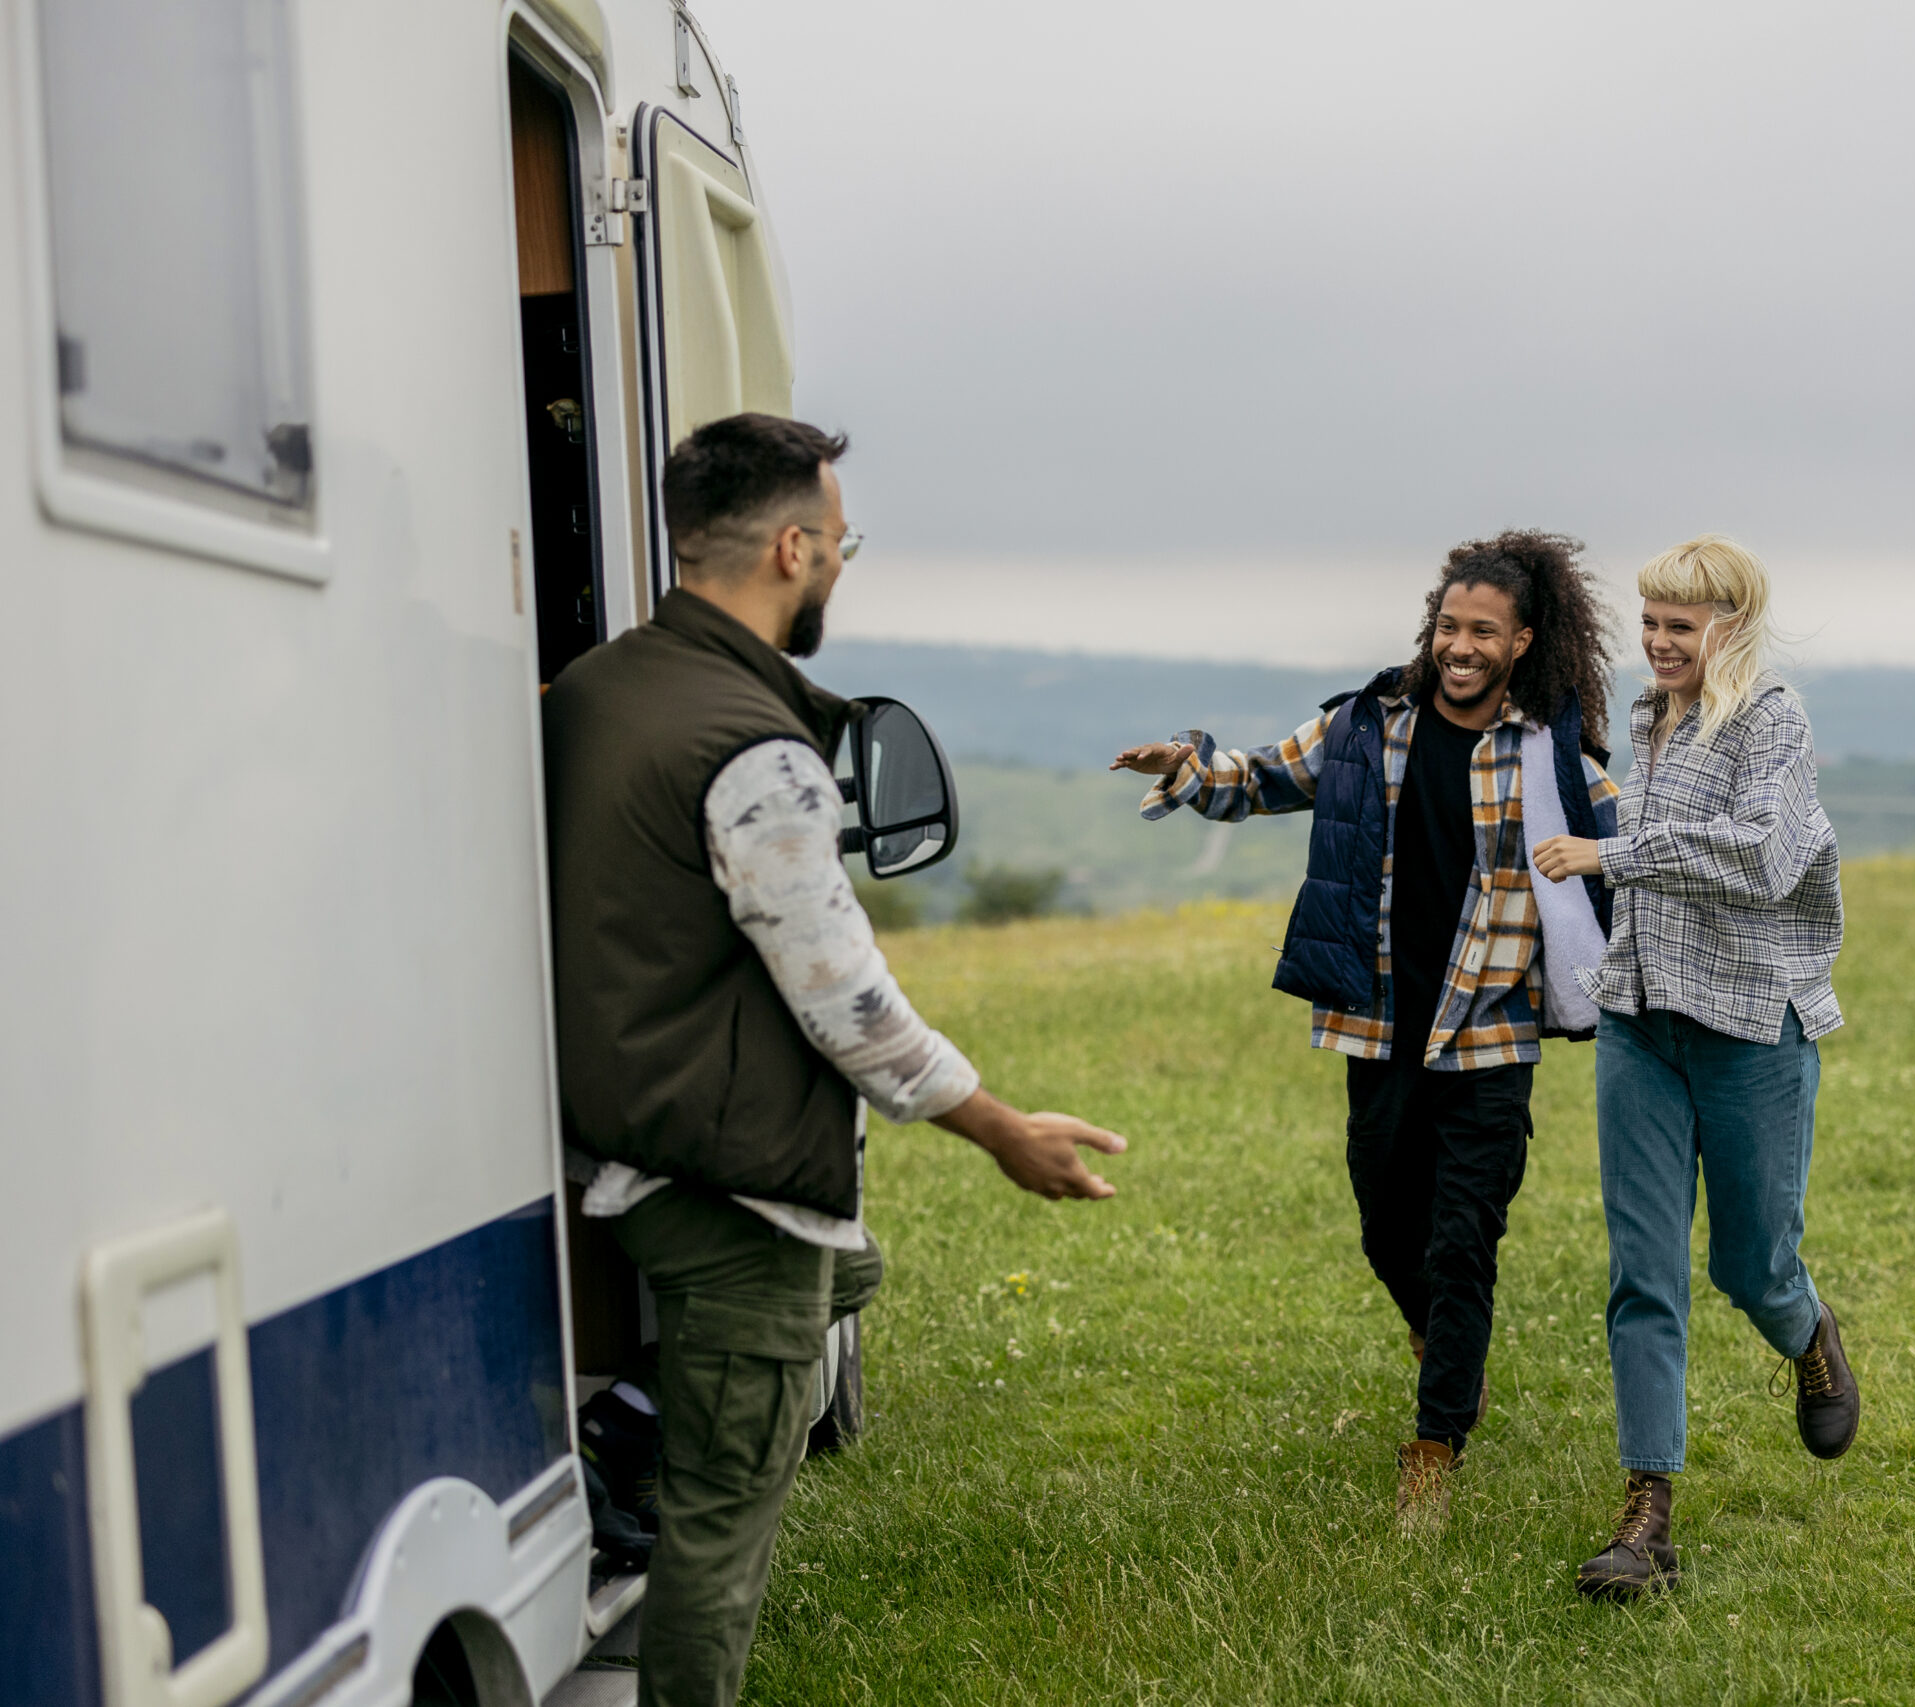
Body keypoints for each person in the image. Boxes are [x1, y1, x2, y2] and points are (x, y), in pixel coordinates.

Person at [543, 412, 1128, 1706]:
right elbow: (849, 1005)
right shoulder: (755, 751)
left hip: (631, 1145)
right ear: (794, 545)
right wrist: (1004, 1127)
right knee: (718, 1533)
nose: (841, 566)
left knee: (848, 1264)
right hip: (729, 1190)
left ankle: (639, 1417)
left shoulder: (591, 691)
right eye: (842, 542)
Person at [1111, 531, 1619, 1534]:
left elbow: (1626, 854)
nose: (1460, 644)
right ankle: (1445, 1350)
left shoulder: (1549, 755)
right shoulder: (1364, 725)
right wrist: (1188, 766)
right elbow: (1256, 779)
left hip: (1487, 1036)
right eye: (1449, 625)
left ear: (1521, 642)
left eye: (1483, 630)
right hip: (1378, 1025)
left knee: (1460, 1245)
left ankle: (1434, 1453)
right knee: (1388, 1230)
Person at [1529, 534, 1856, 1600]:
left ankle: (1808, 1336)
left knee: (1751, 1264)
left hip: (1751, 1027)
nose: (1660, 642)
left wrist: (1614, 852)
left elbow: (1763, 858)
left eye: (1682, 624)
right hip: (1638, 1023)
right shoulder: (1645, 721)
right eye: (1653, 622)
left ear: (1732, 625)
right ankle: (1646, 1517)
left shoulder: (1772, 722)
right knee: (1643, 1273)